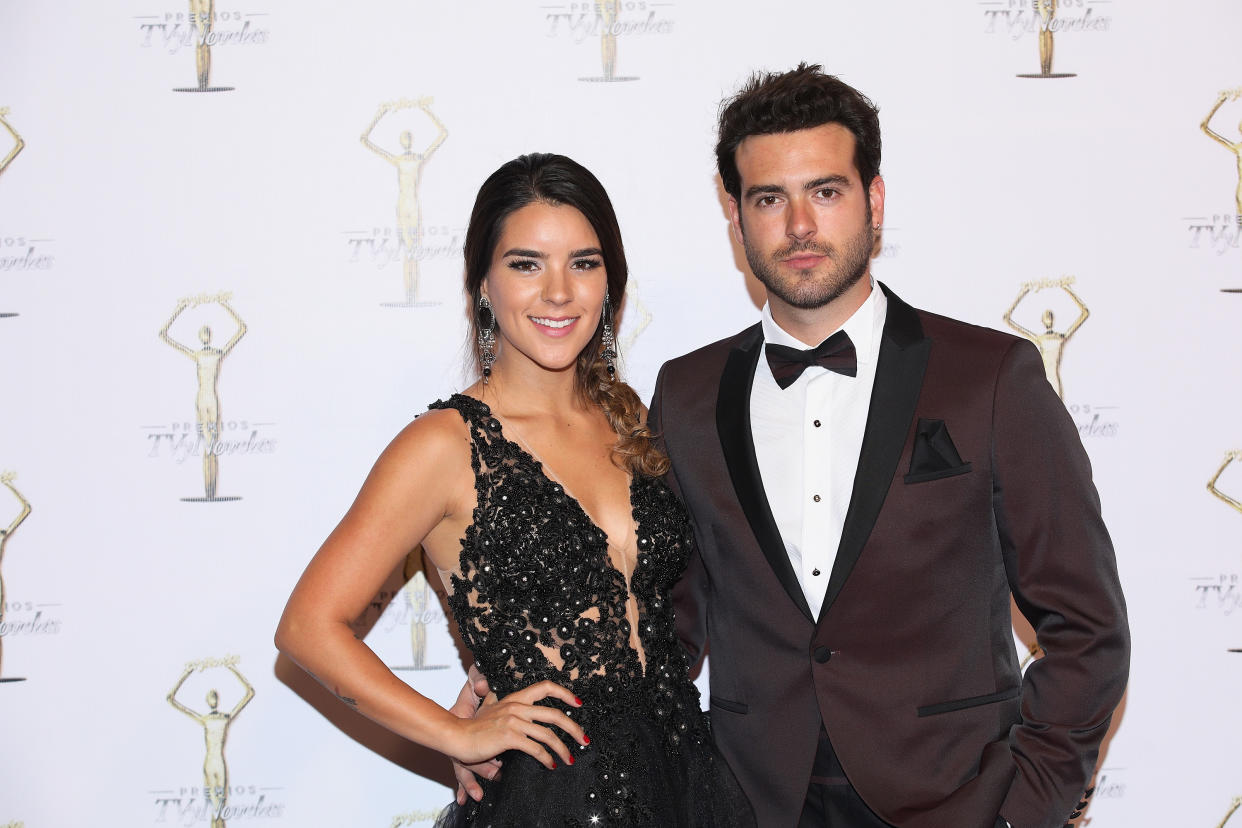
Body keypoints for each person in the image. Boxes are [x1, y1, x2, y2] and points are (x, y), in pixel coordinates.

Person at [644, 65, 1130, 827]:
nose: (800, 225)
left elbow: (1088, 627)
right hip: (749, 803)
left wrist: (1024, 810)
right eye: (770, 198)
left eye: (826, 192)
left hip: (950, 800)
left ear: (874, 200)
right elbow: (663, 626)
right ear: (735, 216)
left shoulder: (990, 379)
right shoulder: (686, 394)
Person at [275, 153, 753, 827]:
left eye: (583, 263)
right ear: (482, 285)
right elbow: (307, 627)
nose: (558, 291)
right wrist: (457, 733)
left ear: (610, 283)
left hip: (684, 780)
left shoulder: (629, 420)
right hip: (550, 799)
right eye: (526, 264)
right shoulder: (443, 446)